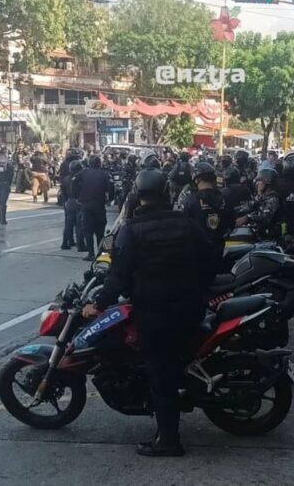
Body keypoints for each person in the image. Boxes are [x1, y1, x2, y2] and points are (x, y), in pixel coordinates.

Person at [82, 169, 215, 457]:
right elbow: (211, 260)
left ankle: (169, 441)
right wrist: (199, 289)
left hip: (156, 313)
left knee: (161, 375)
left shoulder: (132, 230)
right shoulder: (187, 224)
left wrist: (99, 304)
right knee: (171, 365)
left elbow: (118, 276)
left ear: (137, 196)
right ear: (166, 192)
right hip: (190, 308)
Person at [182, 162, 235, 264]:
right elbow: (231, 224)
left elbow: (185, 228)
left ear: (197, 179)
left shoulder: (190, 200)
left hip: (198, 254)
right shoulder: (225, 199)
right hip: (220, 251)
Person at [74, 155, 114, 260]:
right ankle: (100, 254)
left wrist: (76, 196)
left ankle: (91, 253)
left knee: (88, 230)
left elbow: (74, 182)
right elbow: (111, 186)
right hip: (99, 205)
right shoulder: (104, 174)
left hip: (86, 205)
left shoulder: (83, 173)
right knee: (100, 231)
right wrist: (110, 199)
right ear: (99, 163)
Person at [237, 169, 282, 239]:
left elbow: (264, 218)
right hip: (260, 234)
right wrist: (233, 211)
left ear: (268, 182)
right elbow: (249, 205)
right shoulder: (262, 196)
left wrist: (247, 218)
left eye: (260, 181)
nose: (257, 183)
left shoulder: (273, 199)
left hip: (270, 239)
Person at [60, 160, 85, 251]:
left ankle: (65, 242)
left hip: (69, 202)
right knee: (79, 224)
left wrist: (64, 202)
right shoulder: (80, 178)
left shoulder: (66, 179)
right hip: (78, 202)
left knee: (68, 224)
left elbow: (63, 193)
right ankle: (81, 245)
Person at [0, 146, 14, 224]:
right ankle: (3, 219)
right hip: (5, 183)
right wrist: (9, 183)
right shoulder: (8, 161)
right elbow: (11, 173)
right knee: (3, 202)